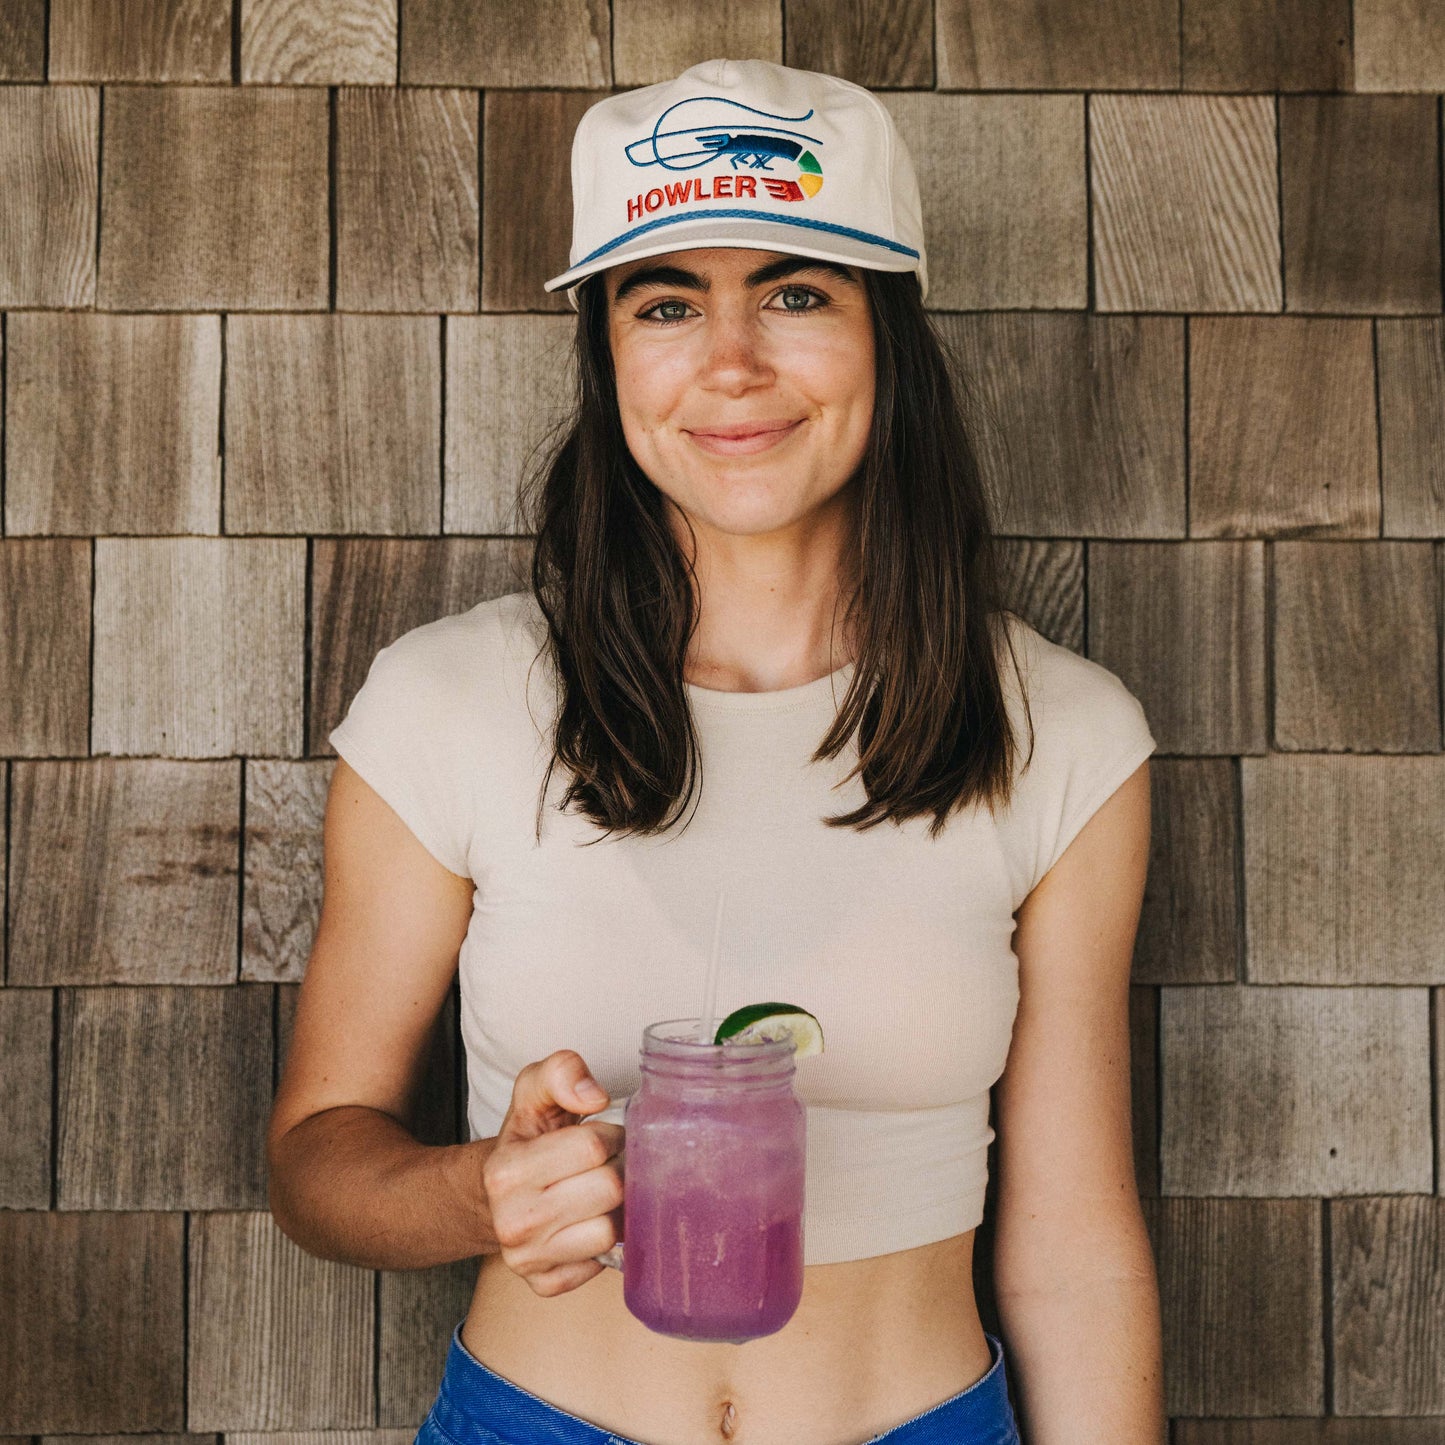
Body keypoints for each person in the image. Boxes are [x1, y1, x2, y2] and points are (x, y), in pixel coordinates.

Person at [267, 57, 1167, 1445]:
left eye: (797, 292)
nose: (730, 361)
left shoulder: (1066, 735)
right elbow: (318, 1158)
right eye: (666, 302)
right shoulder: (445, 702)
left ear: (887, 336)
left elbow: (1075, 1251)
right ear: (610, 353)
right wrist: (475, 1191)